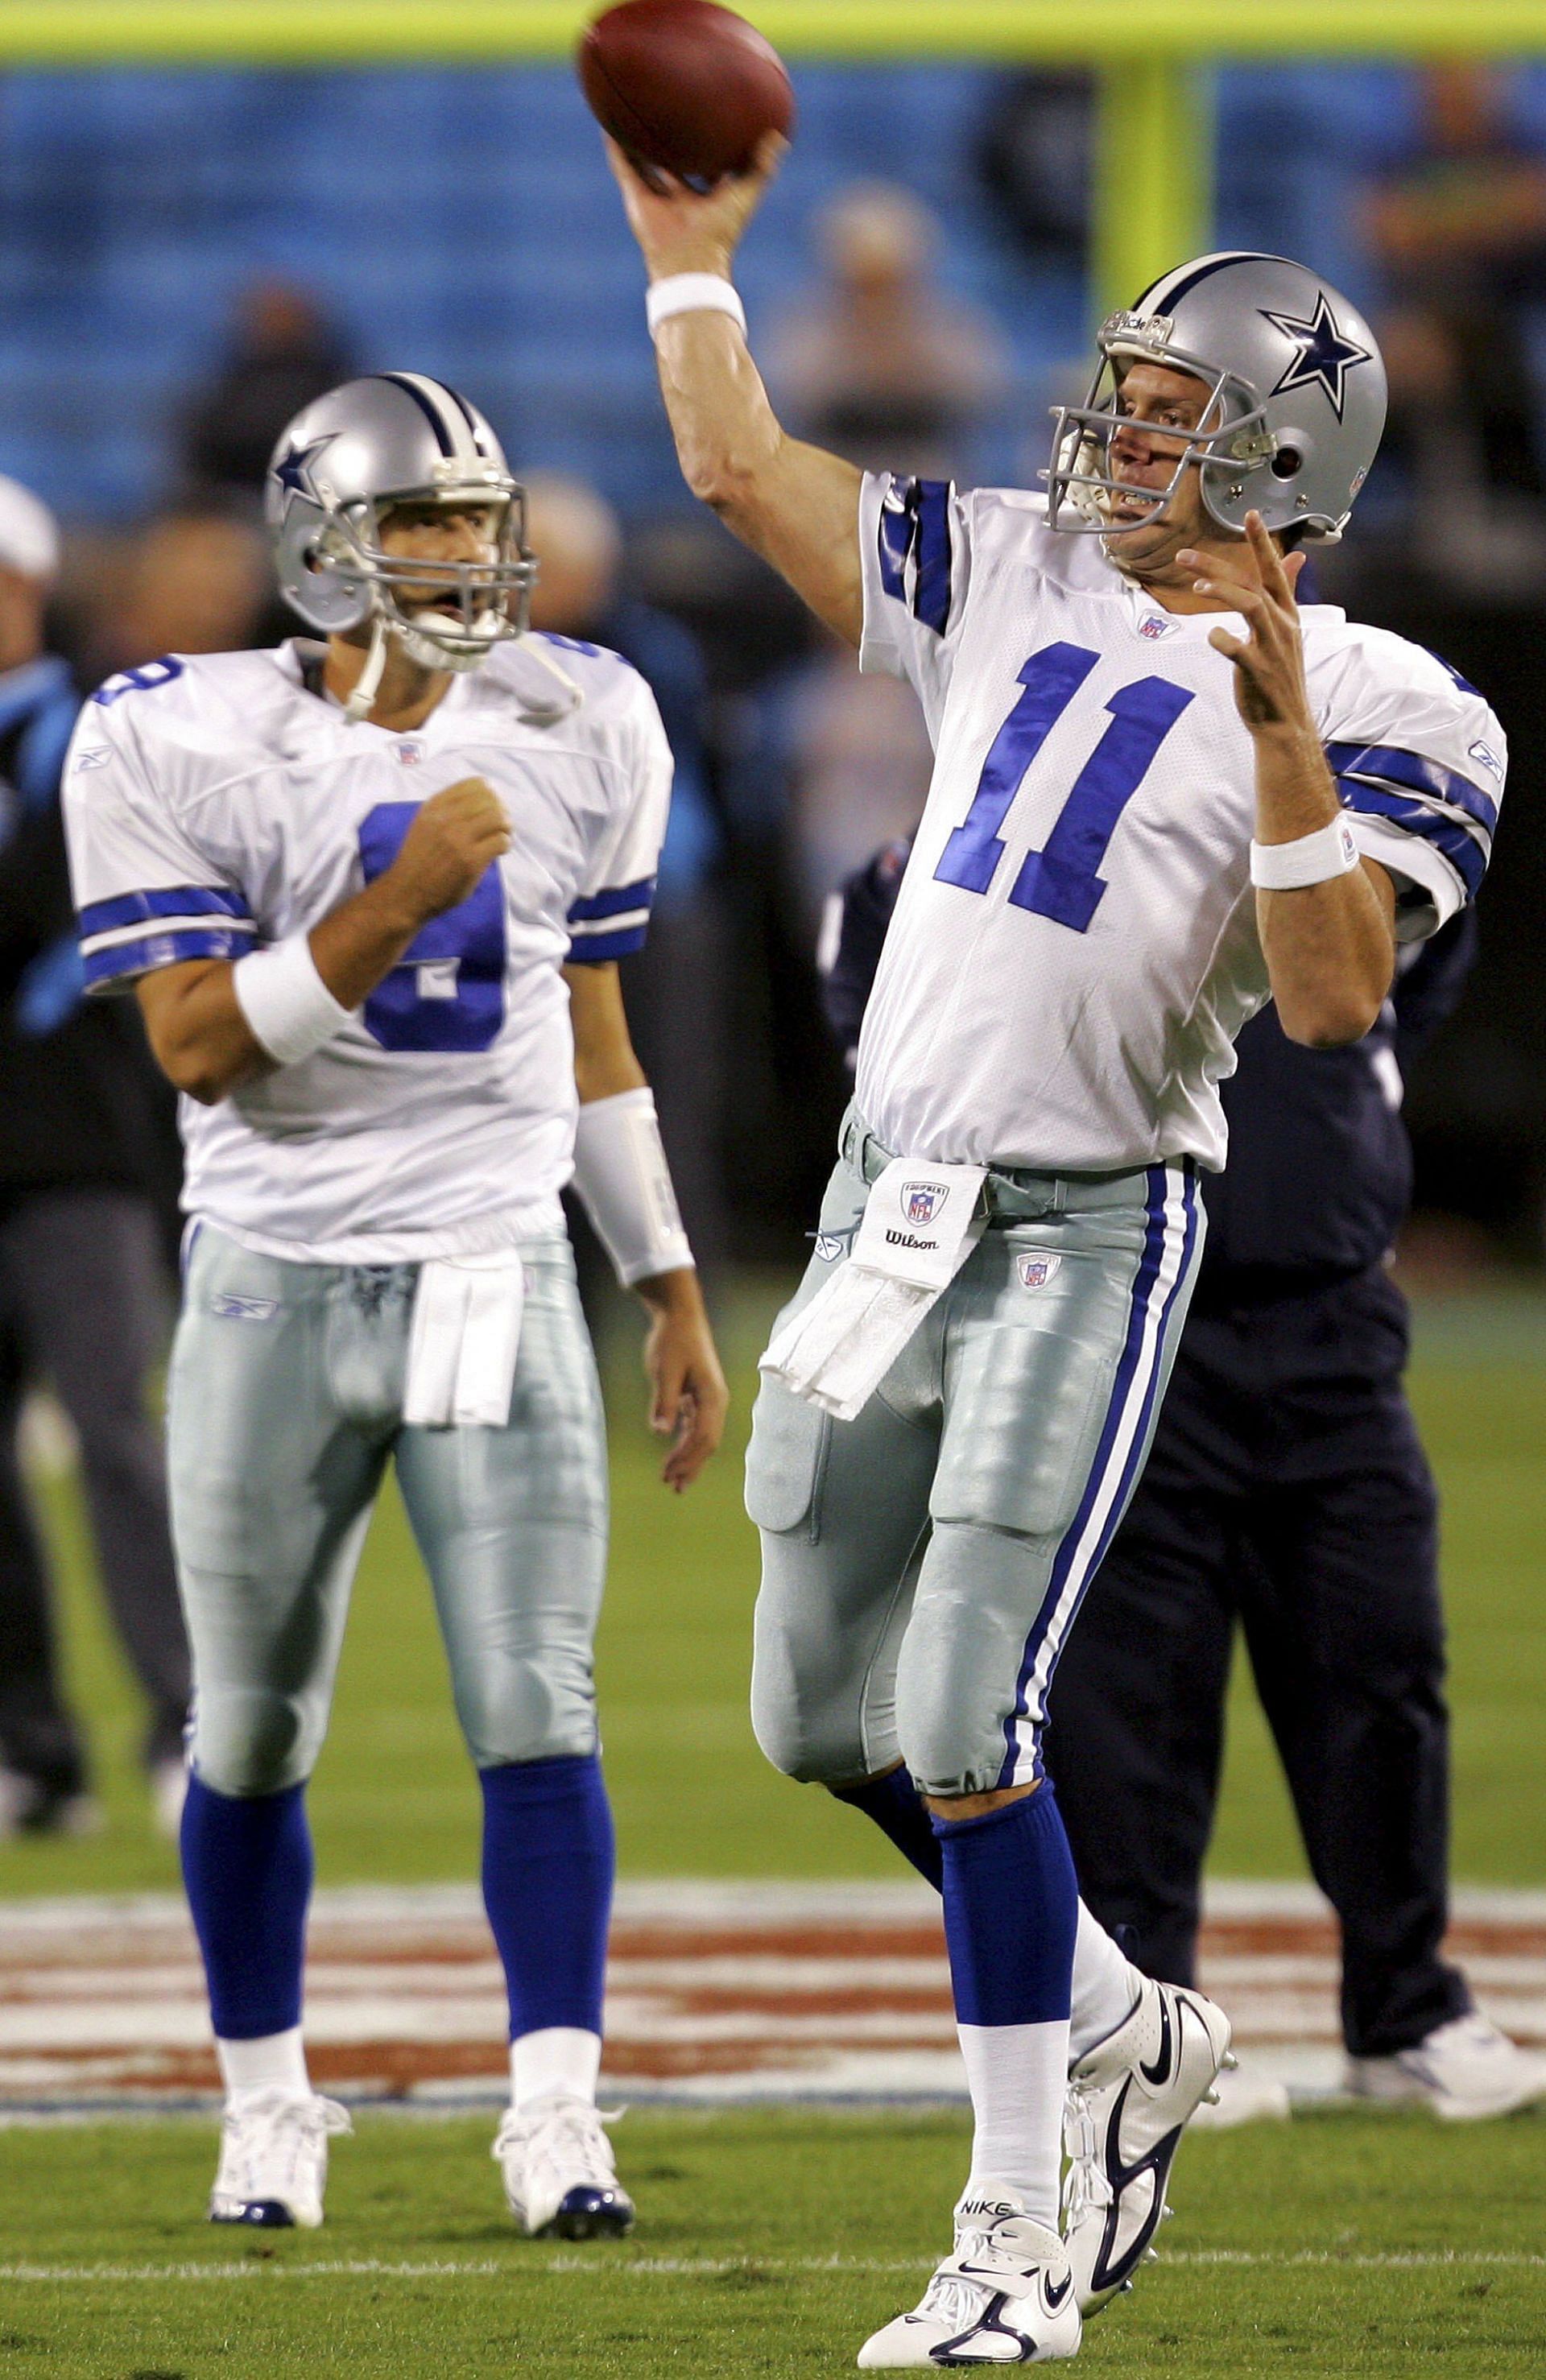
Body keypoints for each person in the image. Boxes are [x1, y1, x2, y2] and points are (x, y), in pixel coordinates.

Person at [609, 128, 1503, 2366]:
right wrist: (688, 257)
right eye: (1125, 390)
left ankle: (1014, 2229)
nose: (1119, 435)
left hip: (1086, 1222)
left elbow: (1324, 1002)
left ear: (1284, 449)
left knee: (963, 1700)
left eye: (1174, 408)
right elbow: (734, 465)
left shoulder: (1402, 703)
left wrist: (1283, 720)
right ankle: (1128, 2014)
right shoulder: (1009, 560)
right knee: (819, 1711)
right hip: (881, 1205)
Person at [63, 374, 727, 2237]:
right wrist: (396, 895)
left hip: (490, 1263)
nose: (463, 556)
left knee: (537, 1699)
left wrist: (663, 1276)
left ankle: (557, 2113)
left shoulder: (587, 712)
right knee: (251, 1725)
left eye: (476, 518)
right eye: (422, 522)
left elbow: (591, 1029)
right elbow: (200, 1047)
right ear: (319, 544)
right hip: (273, 1282)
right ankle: (266, 2104)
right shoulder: (172, 732)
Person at [826, 853, 1546, 2126]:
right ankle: (1156, 2012)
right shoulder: (959, 844)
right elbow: (894, 1040)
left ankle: (1410, 2006)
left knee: (1383, 1666)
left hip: (1333, 1322)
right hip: (1126, 1306)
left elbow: (1396, 985)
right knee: (1130, 1698)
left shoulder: (1336, 819)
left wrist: (1325, 1130)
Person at [0, 474, 191, 1841]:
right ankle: (31, 1744)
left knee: (117, 1438)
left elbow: (107, 945)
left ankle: (189, 1724)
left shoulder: (99, 738)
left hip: (79, 1150)